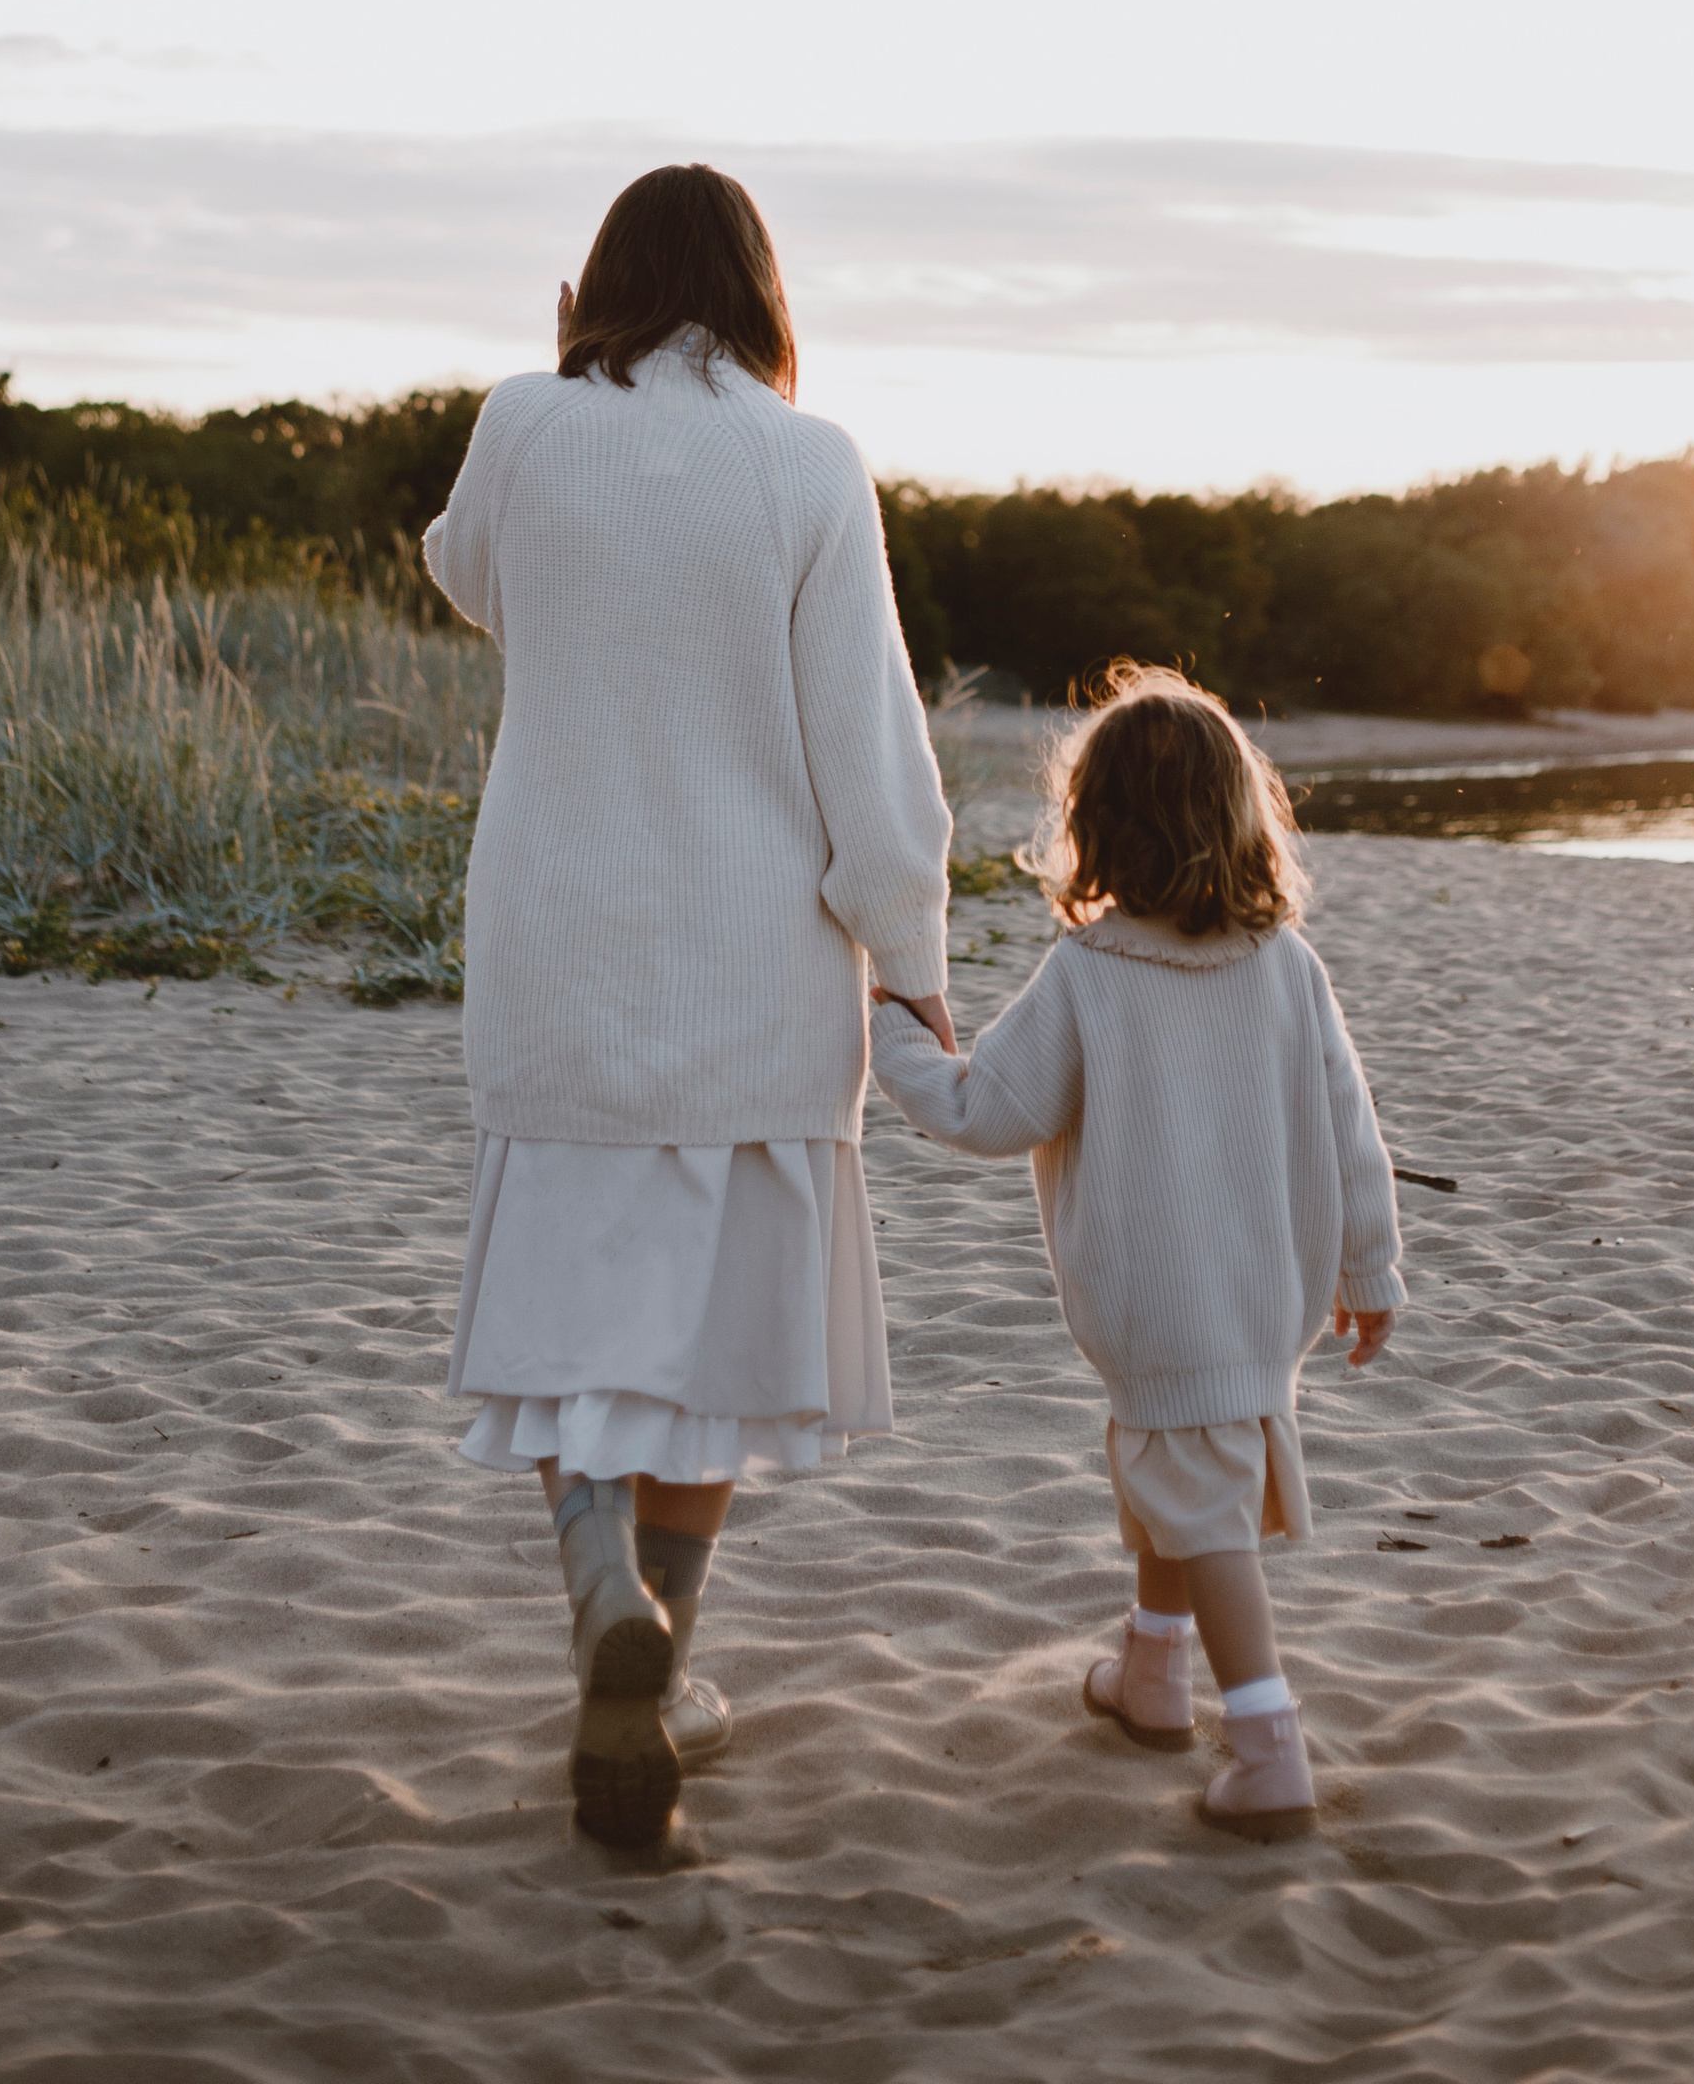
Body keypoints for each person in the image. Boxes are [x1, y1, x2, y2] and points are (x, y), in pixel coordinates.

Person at [424, 164, 954, 1848]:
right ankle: (672, 1647)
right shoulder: (810, 464)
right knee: (709, 1352)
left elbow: (471, 577)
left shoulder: (523, 421)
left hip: (559, 952)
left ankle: (600, 1598)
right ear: (764, 292)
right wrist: (917, 957)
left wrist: (551, 367)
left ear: (595, 289)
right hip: (751, 970)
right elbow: (865, 758)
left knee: (567, 1316)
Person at [870, 665, 1404, 1840]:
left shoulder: (1093, 973)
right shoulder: (1285, 967)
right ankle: (1152, 1676)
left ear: (1095, 827)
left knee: (1200, 1504)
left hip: (1163, 1299)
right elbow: (1350, 1131)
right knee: (1177, 1468)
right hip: (1265, 1291)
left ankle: (1269, 1750)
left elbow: (983, 1111)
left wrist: (885, 1035)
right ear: (1240, 816)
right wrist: (1369, 1270)